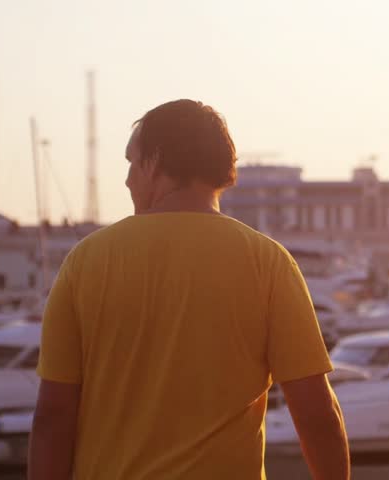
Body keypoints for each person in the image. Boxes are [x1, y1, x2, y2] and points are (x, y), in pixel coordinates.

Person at [29, 99, 350, 480]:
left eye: (133, 162)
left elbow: (53, 415)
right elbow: (316, 414)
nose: (128, 179)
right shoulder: (267, 261)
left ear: (157, 162)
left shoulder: (86, 262)